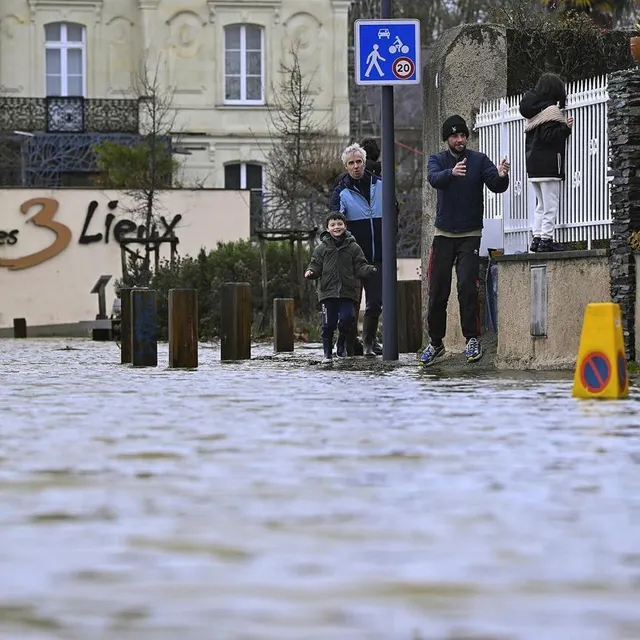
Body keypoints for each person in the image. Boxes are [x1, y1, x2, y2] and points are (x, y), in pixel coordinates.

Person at [420, 115, 510, 367]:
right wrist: (452, 172)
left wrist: (502, 175)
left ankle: (472, 339)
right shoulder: (437, 160)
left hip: (470, 234)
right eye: (454, 136)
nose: (459, 140)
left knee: (467, 288)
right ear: (447, 139)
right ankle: (436, 342)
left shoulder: (479, 160)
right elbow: (434, 178)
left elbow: (496, 185)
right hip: (444, 235)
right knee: (438, 291)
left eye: (463, 136)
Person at [330, 142, 384, 357]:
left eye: (359, 162)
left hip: (377, 255)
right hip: (352, 258)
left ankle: (370, 342)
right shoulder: (341, 192)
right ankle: (347, 345)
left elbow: (394, 211)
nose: (356, 166)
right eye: (351, 163)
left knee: (375, 303)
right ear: (346, 166)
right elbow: (335, 223)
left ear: (365, 163)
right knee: (350, 305)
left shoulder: (380, 184)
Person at [305, 212, 377, 364]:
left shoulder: (353, 247)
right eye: (333, 225)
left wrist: (369, 270)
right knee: (328, 324)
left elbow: (360, 265)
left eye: (339, 224)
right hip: (327, 292)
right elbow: (315, 265)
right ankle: (327, 354)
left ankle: (341, 342)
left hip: (348, 291)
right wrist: (311, 272)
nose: (336, 227)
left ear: (345, 226)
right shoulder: (322, 248)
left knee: (347, 319)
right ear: (327, 228)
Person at [519, 73, 573, 253]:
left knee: (540, 205)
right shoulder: (551, 111)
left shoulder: (534, 113)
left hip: (533, 166)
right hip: (549, 166)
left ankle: (536, 237)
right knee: (550, 205)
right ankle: (546, 240)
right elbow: (549, 136)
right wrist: (565, 128)